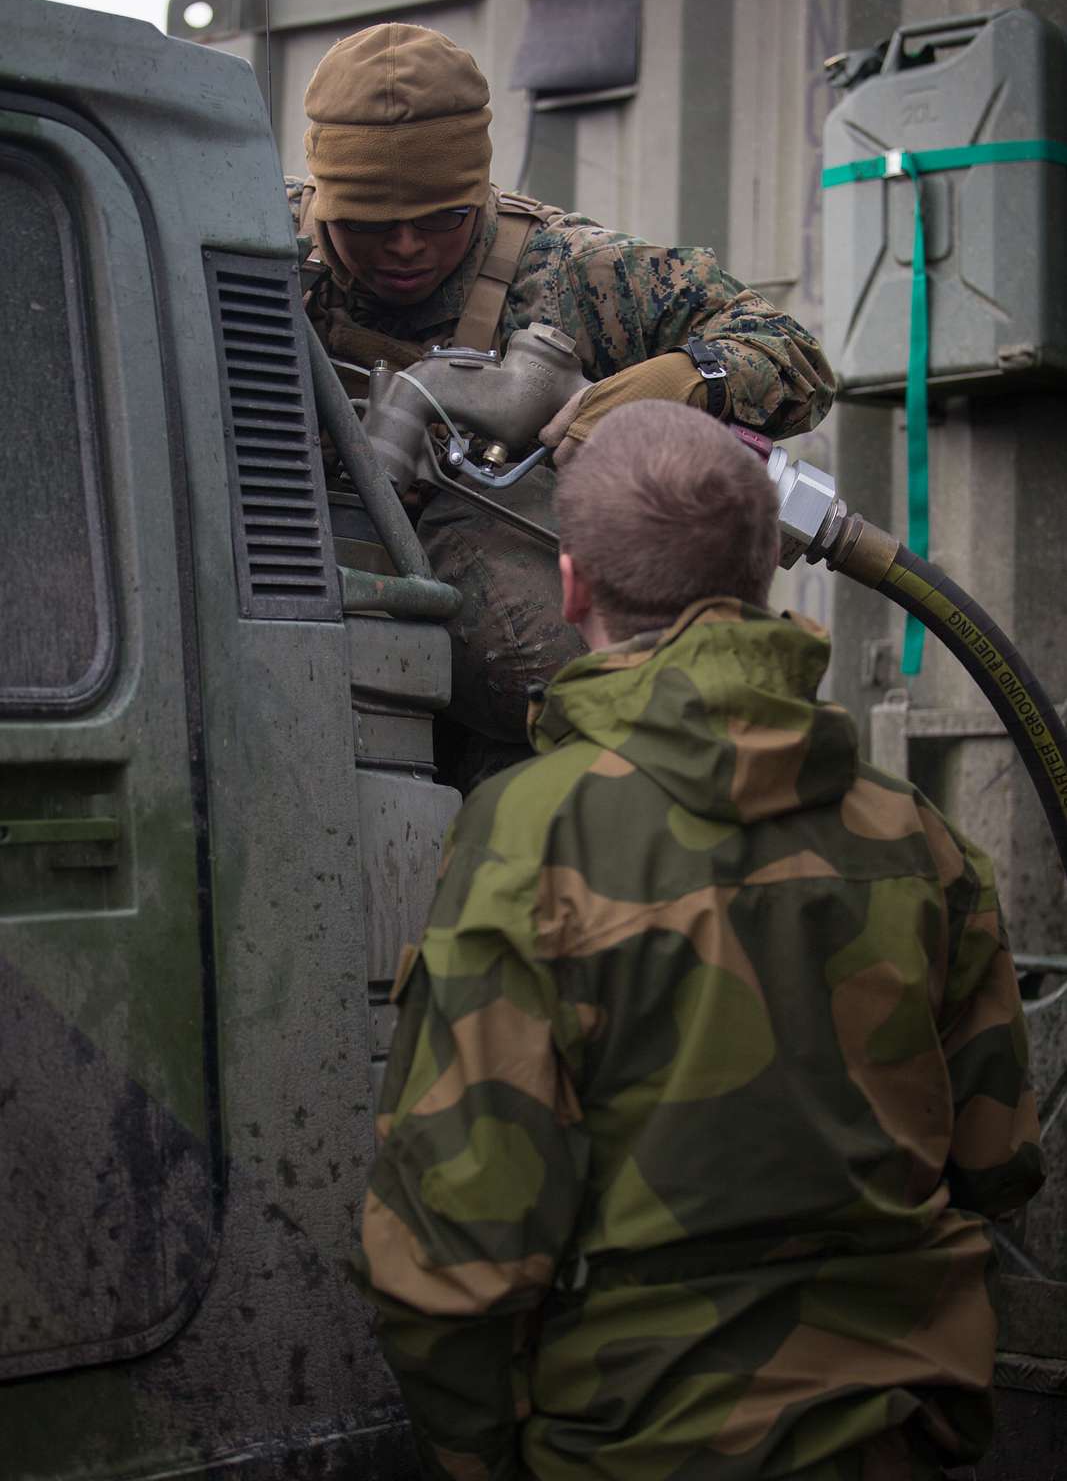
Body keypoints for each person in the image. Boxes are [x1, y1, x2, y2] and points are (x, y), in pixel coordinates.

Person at [352, 400, 1044, 1481]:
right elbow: (995, 1167)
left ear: (570, 582)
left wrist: (480, 1457)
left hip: (633, 1447)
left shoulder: (531, 836)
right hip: (890, 1432)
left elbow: (458, 1250)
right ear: (767, 567)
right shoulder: (918, 839)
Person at [291, 22, 835, 787]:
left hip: (519, 697)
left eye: (442, 219)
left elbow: (793, 353)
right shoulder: (254, 246)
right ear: (321, 199)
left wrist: (683, 377)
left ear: (477, 186)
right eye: (369, 227)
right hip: (299, 650)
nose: (407, 248)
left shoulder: (578, 273)